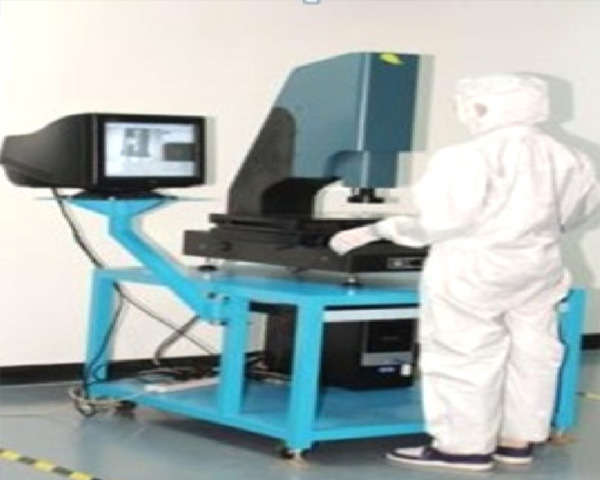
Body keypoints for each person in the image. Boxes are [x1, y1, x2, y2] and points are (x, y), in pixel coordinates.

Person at [329, 74, 600, 472]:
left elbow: (438, 222)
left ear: (482, 106)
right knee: (533, 352)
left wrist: (377, 230)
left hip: (474, 267)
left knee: (464, 352)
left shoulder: (468, 156)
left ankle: (463, 448)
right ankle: (517, 440)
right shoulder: (569, 156)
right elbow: (576, 213)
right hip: (538, 265)